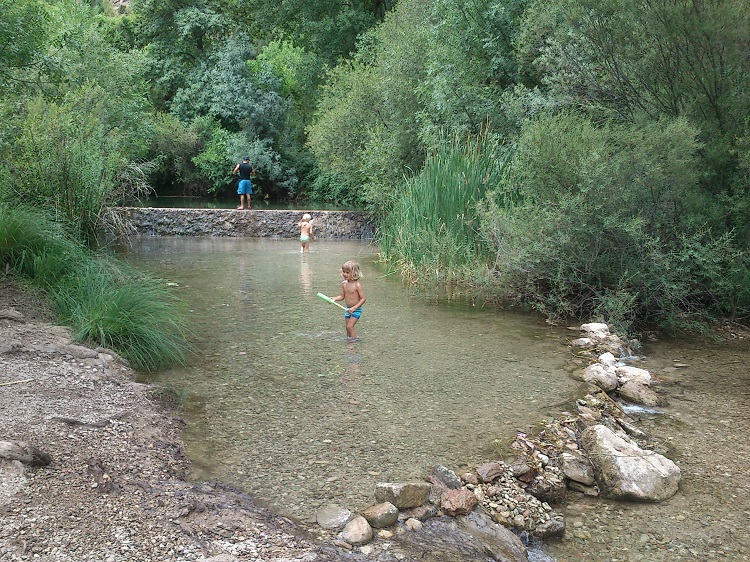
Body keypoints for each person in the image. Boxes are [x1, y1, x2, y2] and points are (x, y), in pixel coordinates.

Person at [328, 260, 366, 340]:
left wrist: (354, 308)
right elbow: (342, 296)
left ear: (354, 273)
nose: (344, 274)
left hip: (356, 310)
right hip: (347, 309)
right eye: (344, 272)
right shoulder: (344, 284)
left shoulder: (357, 285)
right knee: (347, 328)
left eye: (347, 272)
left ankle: (354, 342)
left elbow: (363, 299)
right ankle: (349, 341)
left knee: (350, 326)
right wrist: (334, 299)